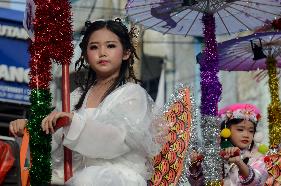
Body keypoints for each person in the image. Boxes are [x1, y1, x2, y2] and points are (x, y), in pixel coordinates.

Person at [9, 18, 167, 186]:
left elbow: (117, 140)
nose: (102, 52)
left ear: (126, 53)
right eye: (94, 47)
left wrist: (73, 123)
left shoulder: (132, 95)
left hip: (115, 179)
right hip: (73, 178)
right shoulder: (75, 97)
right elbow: (51, 141)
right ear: (85, 55)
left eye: (111, 46)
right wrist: (30, 129)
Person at [187, 103, 269, 186]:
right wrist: (194, 167)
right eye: (240, 129)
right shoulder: (214, 154)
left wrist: (239, 162)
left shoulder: (258, 157)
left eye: (251, 131)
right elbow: (197, 183)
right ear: (226, 131)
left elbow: (257, 181)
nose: (246, 135)